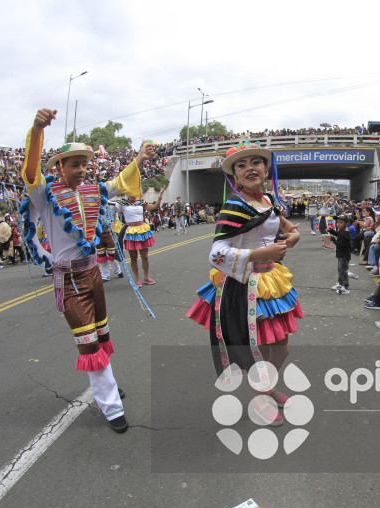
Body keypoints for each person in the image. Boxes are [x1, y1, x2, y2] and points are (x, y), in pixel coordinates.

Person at [19, 107, 153, 433]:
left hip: (93, 273)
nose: (81, 170)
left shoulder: (94, 191)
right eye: (74, 164)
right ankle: (110, 404)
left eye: (84, 164)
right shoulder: (45, 193)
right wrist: (37, 130)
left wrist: (138, 158)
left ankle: (107, 388)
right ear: (60, 167)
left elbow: (120, 182)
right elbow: (30, 171)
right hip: (69, 280)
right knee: (89, 342)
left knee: (102, 335)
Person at [186, 142, 303, 426]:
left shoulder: (267, 201)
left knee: (282, 347)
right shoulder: (234, 207)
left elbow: (286, 225)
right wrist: (262, 254)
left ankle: (266, 387)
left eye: (256, 162)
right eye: (241, 165)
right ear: (235, 176)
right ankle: (260, 395)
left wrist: (294, 236)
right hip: (244, 285)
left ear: (266, 169)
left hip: (270, 283)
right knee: (259, 348)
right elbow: (216, 253)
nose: (250, 168)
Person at [114, 185, 166, 286]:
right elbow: (109, 205)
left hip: (142, 230)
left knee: (145, 256)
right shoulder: (122, 204)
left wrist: (160, 194)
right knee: (133, 257)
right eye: (131, 193)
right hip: (130, 231)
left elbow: (154, 207)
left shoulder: (141, 203)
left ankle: (146, 277)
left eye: (135, 193)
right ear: (128, 194)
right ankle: (137, 279)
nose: (133, 195)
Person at [328, 215, 352, 295]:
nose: (338, 224)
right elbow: (337, 233)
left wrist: (333, 239)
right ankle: (340, 283)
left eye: (341, 222)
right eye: (337, 222)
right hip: (341, 254)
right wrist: (331, 231)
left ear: (346, 223)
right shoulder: (342, 230)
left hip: (344, 255)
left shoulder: (346, 234)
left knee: (343, 270)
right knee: (340, 269)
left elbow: (340, 244)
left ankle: (345, 287)